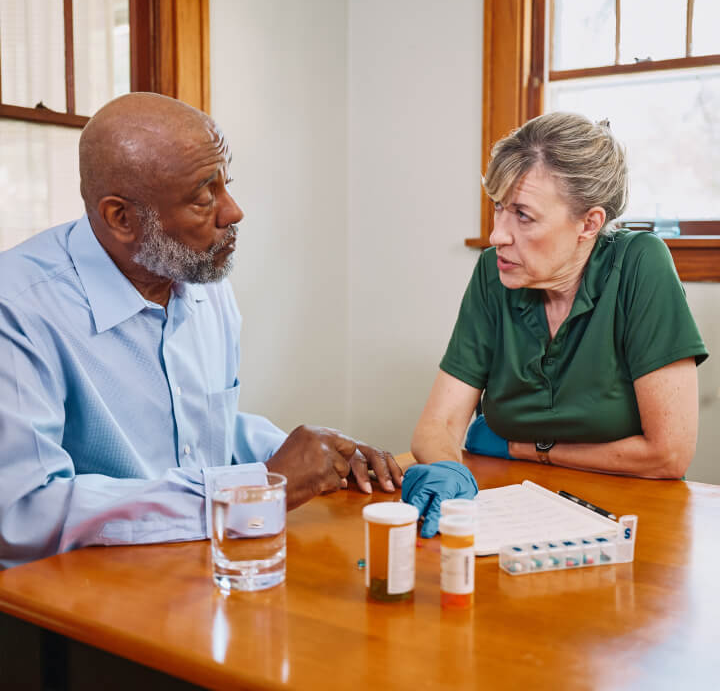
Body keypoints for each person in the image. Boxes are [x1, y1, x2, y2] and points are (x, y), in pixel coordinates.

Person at [0, 92, 402, 569]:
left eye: (225, 185)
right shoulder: (17, 309)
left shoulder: (198, 278)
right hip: (78, 605)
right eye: (202, 197)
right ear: (120, 218)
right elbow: (23, 513)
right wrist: (249, 493)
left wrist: (307, 455)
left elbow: (196, 430)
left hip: (200, 569)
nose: (233, 212)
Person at [402, 111, 708, 537]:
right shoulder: (494, 273)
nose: (497, 236)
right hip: (509, 506)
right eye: (499, 208)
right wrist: (449, 469)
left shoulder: (640, 264)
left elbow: (668, 455)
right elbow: (439, 425)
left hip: (628, 519)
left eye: (523, 216)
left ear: (589, 223)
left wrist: (525, 449)